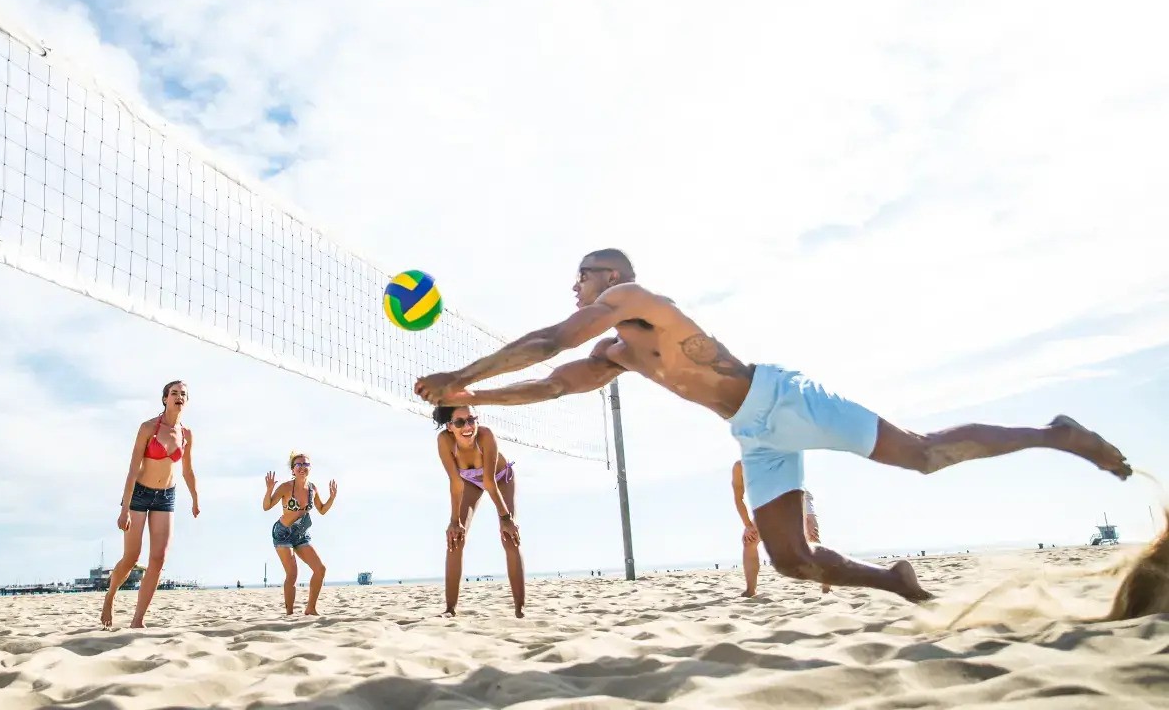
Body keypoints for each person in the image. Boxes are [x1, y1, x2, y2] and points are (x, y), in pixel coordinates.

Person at [413, 248, 1133, 603]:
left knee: (920, 455)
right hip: (754, 435)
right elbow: (549, 382)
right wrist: (469, 398)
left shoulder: (635, 299)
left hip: (783, 398)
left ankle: (1055, 432)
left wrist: (461, 376)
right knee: (791, 559)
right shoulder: (616, 353)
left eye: (582, 275)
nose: (575, 285)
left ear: (610, 276)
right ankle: (900, 582)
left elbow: (547, 342)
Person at [101, 380, 200, 628]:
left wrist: (196, 499)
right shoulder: (148, 428)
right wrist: (124, 508)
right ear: (165, 398)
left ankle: (138, 620)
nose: (179, 397)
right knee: (132, 557)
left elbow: (187, 470)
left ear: (186, 401)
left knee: (158, 558)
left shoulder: (187, 435)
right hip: (139, 494)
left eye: (183, 394)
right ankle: (110, 596)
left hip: (166, 496)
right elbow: (133, 468)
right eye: (174, 393)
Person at [435, 406, 526, 618]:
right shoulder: (444, 441)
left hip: (500, 478)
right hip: (469, 482)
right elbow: (455, 482)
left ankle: (520, 609)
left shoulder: (485, 436)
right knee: (455, 538)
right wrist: (454, 521)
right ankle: (450, 609)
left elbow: (489, 481)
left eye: (471, 419)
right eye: (459, 423)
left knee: (509, 537)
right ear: (450, 427)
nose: (467, 426)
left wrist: (506, 519)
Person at [732, 460, 828, 597]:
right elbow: (738, 498)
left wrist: (805, 522)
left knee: (811, 537)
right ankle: (750, 590)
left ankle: (826, 585)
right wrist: (748, 526)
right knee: (749, 541)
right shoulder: (739, 467)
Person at [263, 452, 337, 615]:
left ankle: (310, 608)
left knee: (320, 569)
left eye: (305, 464)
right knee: (292, 574)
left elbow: (322, 510)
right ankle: (289, 613)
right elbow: (266, 506)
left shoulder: (312, 488)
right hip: (283, 533)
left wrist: (332, 498)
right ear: (293, 469)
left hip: (301, 534)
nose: (302, 467)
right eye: (298, 465)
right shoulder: (285, 487)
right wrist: (269, 490)